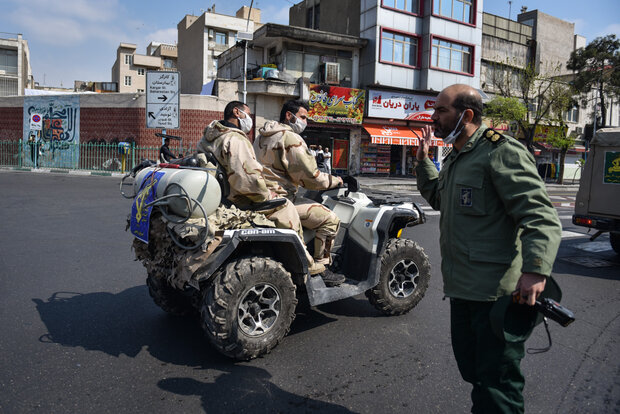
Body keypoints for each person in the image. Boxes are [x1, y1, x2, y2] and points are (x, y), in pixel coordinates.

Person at [415, 84, 562, 413]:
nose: (433, 116)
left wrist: (536, 270)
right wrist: (424, 161)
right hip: (463, 290)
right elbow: (442, 198)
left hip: (495, 295)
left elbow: (539, 214)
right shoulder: (457, 155)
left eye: (441, 110)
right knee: (475, 373)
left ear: (465, 115)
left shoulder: (500, 152)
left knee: (498, 383)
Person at [196, 100, 327, 277]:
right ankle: (306, 262)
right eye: (248, 115)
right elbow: (247, 179)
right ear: (237, 112)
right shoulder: (235, 139)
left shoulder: (209, 137)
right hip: (242, 198)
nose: (249, 119)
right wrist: (266, 194)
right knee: (285, 205)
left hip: (223, 196)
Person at [254, 99, 345, 286]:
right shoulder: (290, 139)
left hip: (260, 197)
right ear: (289, 115)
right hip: (280, 201)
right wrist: (336, 181)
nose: (305, 122)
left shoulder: (261, 136)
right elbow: (311, 177)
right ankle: (321, 268)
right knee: (330, 220)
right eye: (303, 117)